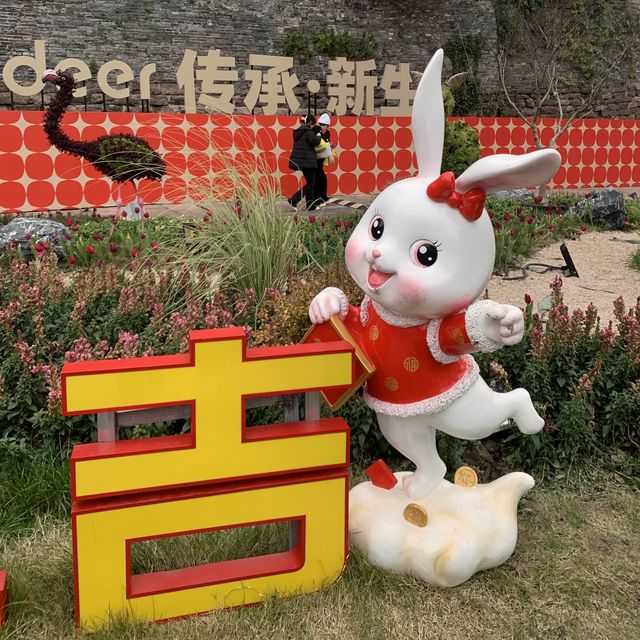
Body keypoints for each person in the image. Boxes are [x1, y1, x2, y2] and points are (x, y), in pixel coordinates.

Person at [288, 114, 321, 210]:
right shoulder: (308, 132)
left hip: (303, 162)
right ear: (310, 123)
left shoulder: (300, 131)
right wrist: (318, 135)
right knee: (311, 184)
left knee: (310, 183)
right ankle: (294, 200)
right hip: (307, 162)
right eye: (313, 124)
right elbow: (314, 141)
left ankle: (310, 206)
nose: (313, 126)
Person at [314, 113, 334, 204]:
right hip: (316, 160)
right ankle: (320, 197)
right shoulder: (317, 132)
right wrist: (327, 134)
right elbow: (322, 142)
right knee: (320, 179)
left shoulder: (319, 131)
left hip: (319, 160)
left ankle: (322, 196)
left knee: (321, 178)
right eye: (326, 126)